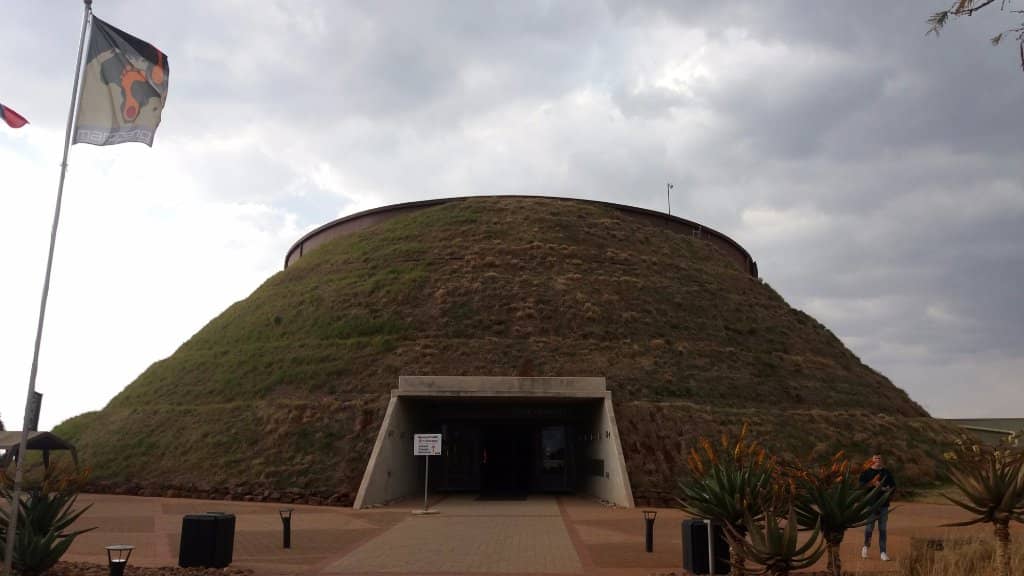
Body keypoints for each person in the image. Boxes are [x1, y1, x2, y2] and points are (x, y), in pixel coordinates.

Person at [859, 453, 896, 561]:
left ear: (882, 460)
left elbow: (893, 486)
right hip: (871, 504)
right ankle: (865, 547)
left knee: (883, 529)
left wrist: (885, 489)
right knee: (869, 528)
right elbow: (861, 486)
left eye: (879, 458)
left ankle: (883, 552)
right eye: (875, 458)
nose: (877, 460)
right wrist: (873, 483)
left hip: (883, 505)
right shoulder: (866, 472)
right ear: (872, 459)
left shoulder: (886, 472)